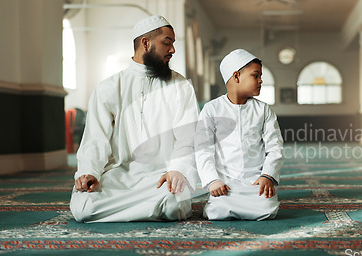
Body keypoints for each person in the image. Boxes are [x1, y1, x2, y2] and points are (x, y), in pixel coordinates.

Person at [70, 15, 199, 223]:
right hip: (119, 176)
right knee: (83, 208)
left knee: (173, 205)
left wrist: (177, 169)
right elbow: (95, 138)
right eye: (167, 43)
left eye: (173, 44)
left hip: (161, 176)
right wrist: (89, 172)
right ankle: (149, 209)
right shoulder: (109, 87)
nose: (173, 50)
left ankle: (128, 209)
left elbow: (187, 138)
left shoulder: (181, 86)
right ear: (145, 43)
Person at [195, 49, 284, 220]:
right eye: (255, 75)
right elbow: (202, 150)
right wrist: (212, 180)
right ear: (236, 76)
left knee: (267, 208)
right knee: (217, 210)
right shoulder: (212, 109)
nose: (261, 80)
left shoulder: (263, 109)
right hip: (225, 183)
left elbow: (275, 147)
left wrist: (267, 176)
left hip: (256, 182)